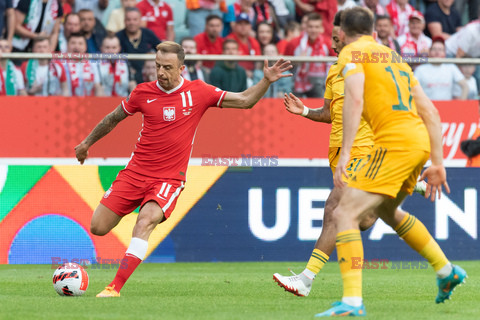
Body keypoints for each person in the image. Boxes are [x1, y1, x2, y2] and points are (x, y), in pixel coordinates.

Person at [74, 41, 292, 298]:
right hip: (134, 173)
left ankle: (115, 287)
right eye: (157, 66)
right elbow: (113, 118)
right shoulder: (142, 93)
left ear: (182, 68)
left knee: (144, 222)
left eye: (167, 67)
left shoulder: (198, 91)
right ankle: (140, 214)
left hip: (168, 178)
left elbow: (245, 101)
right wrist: (87, 143)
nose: (161, 72)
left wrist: (266, 81)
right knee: (98, 227)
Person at [314, 7, 466, 316]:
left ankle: (353, 301)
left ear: (342, 33)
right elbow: (431, 113)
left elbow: (354, 100)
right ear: (373, 31)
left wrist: (345, 154)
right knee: (387, 210)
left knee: (344, 213)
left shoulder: (350, 54)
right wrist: (438, 162)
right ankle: (445, 270)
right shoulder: (393, 57)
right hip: (418, 142)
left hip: (392, 145)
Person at [272, 9, 424, 297]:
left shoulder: (371, 63)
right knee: (364, 221)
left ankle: (306, 279)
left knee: (334, 209)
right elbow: (330, 114)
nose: (333, 43)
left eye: (336, 37)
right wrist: (304, 111)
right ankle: (400, 183)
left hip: (364, 150)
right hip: (338, 151)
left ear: (348, 35)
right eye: (331, 38)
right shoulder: (334, 71)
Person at [284, 12, 332, 98]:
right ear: (305, 27)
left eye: (316, 27)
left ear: (321, 28)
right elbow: (284, 65)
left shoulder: (327, 43)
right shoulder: (294, 43)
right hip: (296, 83)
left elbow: (335, 62)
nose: (313, 30)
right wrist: (297, 61)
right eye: (311, 27)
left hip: (319, 84)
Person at [116, 7, 160, 84]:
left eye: (135, 19)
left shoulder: (148, 33)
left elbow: (161, 50)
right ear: (124, 21)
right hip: (126, 75)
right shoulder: (118, 36)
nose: (131, 22)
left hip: (148, 73)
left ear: (140, 21)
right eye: (128, 20)